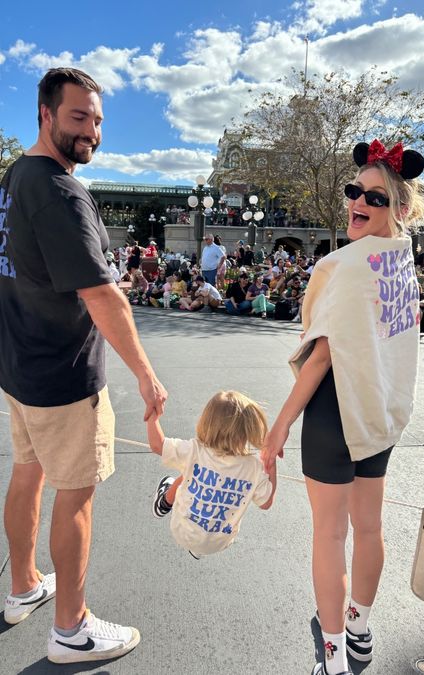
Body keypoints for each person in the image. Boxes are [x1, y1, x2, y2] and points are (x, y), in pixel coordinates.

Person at [0, 67, 167, 664]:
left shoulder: (15, 177)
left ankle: (23, 587)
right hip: (62, 376)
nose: (91, 131)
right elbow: (103, 295)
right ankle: (71, 629)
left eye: (97, 120)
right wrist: (147, 375)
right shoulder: (61, 190)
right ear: (45, 115)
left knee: (29, 473)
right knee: (76, 494)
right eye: (78, 117)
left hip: (19, 367)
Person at [262, 139, 424, 675]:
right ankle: (357, 625)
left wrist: (279, 426)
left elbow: (320, 357)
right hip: (380, 412)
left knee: (330, 534)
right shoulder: (404, 260)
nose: (357, 202)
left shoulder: (347, 264)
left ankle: (332, 658)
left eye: (374, 198)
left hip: (336, 411)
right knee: (371, 527)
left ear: (400, 208)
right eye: (354, 191)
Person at [147, 391, 277, 558]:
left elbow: (157, 445)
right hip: (219, 542)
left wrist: (153, 414)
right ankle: (198, 543)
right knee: (195, 472)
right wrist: (270, 463)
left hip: (182, 531)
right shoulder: (254, 467)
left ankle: (164, 502)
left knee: (191, 472)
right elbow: (266, 503)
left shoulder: (195, 450)